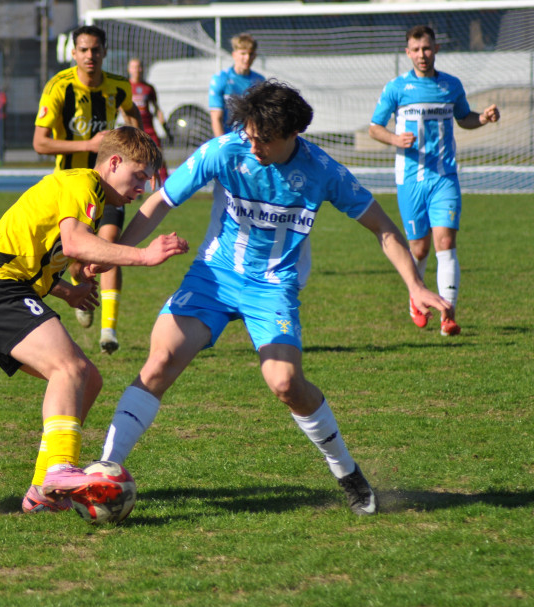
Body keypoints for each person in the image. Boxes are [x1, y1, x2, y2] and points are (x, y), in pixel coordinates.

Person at [97, 81, 453, 516]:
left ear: (291, 134)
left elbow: (383, 227)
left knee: (285, 383)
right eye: (248, 134)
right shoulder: (225, 151)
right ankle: (105, 469)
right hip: (214, 277)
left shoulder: (322, 171)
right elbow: (161, 201)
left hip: (273, 286)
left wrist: (415, 284)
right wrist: (116, 254)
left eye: (262, 139)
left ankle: (346, 471)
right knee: (160, 361)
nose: (252, 145)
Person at [0, 126, 188, 514]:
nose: (143, 187)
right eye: (139, 176)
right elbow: (77, 243)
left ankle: (41, 493)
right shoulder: (83, 183)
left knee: (87, 380)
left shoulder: (86, 193)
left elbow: (51, 252)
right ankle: (60, 468)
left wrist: (69, 289)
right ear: (114, 163)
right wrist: (145, 256)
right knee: (69, 370)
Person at [368, 25, 500, 337]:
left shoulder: (451, 85)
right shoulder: (396, 88)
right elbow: (375, 127)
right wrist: (395, 139)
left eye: (426, 48)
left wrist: (483, 118)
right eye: (416, 50)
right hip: (411, 179)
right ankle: (416, 295)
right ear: (407, 53)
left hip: (444, 177)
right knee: (419, 248)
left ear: (436, 49)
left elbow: (464, 118)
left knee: (445, 242)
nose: (422, 55)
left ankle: (448, 315)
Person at [34, 25, 141, 355]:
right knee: (77, 259)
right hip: (69, 188)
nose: (90, 55)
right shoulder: (58, 87)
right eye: (83, 50)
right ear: (74, 53)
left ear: (104, 52)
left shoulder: (118, 86)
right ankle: (80, 287)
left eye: (95, 49)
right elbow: (40, 143)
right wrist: (88, 144)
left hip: (108, 185)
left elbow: (133, 113)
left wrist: (137, 148)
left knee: (109, 248)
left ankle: (109, 331)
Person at [208, 33, 265, 139]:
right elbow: (216, 118)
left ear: (255, 56)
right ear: (234, 55)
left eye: (251, 54)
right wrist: (223, 143)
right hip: (228, 138)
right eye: (243, 53)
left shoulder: (260, 80)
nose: (247, 58)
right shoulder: (221, 78)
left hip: (251, 140)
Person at [127, 57, 171, 185]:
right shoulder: (126, 87)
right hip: (133, 129)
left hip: (148, 128)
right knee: (133, 158)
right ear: (129, 69)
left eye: (139, 67)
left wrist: (165, 126)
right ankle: (133, 186)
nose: (137, 70)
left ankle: (166, 186)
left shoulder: (148, 88)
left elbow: (157, 109)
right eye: (134, 67)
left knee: (158, 156)